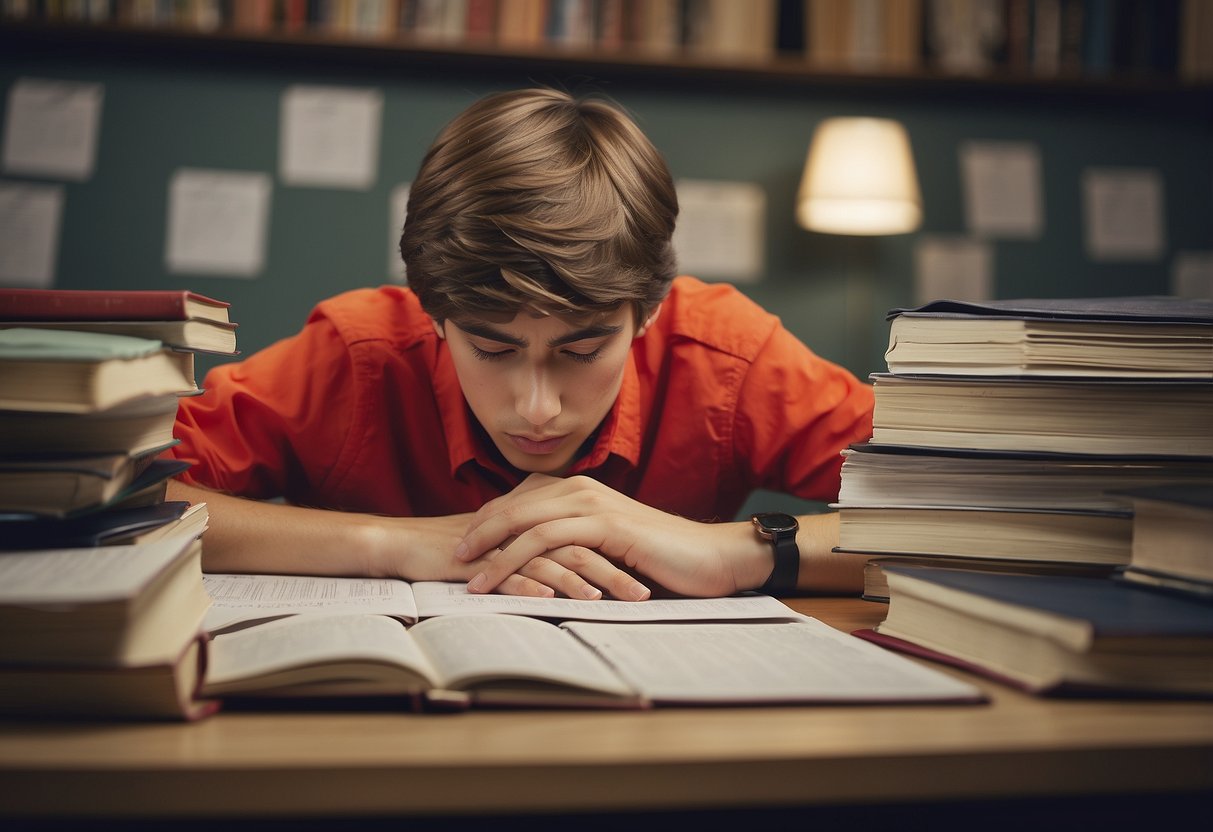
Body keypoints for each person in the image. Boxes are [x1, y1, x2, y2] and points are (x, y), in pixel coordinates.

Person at [166, 87, 875, 601]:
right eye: (493, 349)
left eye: (582, 349)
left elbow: (974, 516)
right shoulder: (357, 355)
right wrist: (390, 544)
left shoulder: (727, 358)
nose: (537, 410)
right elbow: (119, 499)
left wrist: (736, 552)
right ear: (433, 315)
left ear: (648, 313)